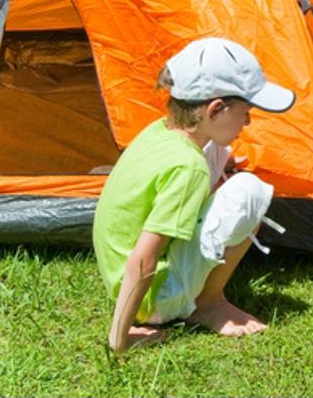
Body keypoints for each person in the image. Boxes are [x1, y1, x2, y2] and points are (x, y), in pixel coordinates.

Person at [93, 37, 294, 353]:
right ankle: (207, 303)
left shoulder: (161, 131)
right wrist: (120, 340)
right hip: (152, 298)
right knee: (249, 192)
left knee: (216, 151)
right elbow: (143, 261)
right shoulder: (189, 169)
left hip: (116, 278)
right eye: (245, 111)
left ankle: (196, 295)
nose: (249, 122)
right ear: (214, 109)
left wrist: (220, 162)